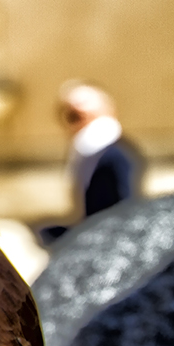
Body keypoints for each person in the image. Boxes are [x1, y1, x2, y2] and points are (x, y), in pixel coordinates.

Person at [40, 81, 142, 245]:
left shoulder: (115, 154)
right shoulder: (85, 152)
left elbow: (123, 206)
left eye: (84, 102)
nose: (75, 108)